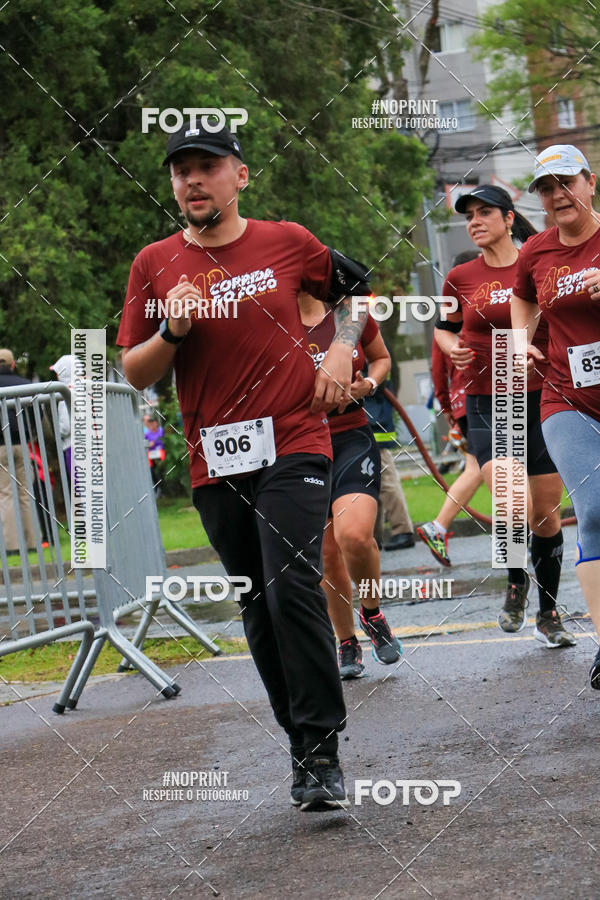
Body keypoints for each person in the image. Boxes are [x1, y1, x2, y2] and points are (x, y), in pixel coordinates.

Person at [117, 120, 372, 812]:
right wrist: (172, 329)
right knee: (257, 602)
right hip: (216, 458)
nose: (192, 180)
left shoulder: (287, 241)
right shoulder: (155, 264)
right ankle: (301, 742)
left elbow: (356, 293)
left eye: (207, 166)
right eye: (180, 170)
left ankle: (322, 751)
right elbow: (134, 371)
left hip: (296, 440)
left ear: (240, 175)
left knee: (291, 582)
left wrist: (344, 348)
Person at [434, 185, 575, 648]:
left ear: (509, 218)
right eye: (469, 215)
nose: (475, 221)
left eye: (484, 213)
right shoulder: (459, 276)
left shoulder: (536, 262)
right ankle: (516, 581)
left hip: (543, 397)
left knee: (545, 517)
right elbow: (444, 329)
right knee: (510, 500)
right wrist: (452, 349)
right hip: (486, 400)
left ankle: (549, 611)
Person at [511, 145, 600, 685]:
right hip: (566, 400)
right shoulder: (536, 253)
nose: (557, 195)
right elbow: (521, 299)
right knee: (593, 513)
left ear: (590, 183)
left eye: (566, 182)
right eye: (546, 188)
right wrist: (520, 341)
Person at [299, 292, 401, 679]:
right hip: (302, 444)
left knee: (355, 535)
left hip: (351, 438)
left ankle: (372, 614)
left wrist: (369, 384)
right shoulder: (273, 314)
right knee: (326, 554)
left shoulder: (349, 313)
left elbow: (382, 359)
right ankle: (346, 641)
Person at [418, 335, 483, 565]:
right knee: (483, 468)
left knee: (482, 467)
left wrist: (447, 404)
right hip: (482, 397)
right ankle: (519, 540)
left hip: (462, 402)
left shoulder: (444, 321)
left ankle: (439, 526)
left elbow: (437, 368)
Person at [364, 382, 415, 551]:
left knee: (386, 482)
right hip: (371, 421)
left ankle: (402, 530)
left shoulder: (368, 359)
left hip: (372, 423)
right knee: (369, 483)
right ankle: (373, 537)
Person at [0, 349, 37, 553]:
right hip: (22, 443)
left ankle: (12, 547)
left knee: (5, 494)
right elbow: (37, 413)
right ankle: (32, 542)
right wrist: (30, 433)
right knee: (25, 492)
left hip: (0, 446)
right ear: (13, 364)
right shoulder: (25, 384)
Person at [49, 354, 74, 485]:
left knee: (81, 487)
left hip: (72, 446)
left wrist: (58, 433)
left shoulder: (65, 395)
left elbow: (65, 427)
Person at [144, 415, 166, 493]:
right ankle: (157, 489)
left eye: (153, 423)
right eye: (150, 424)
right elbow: (145, 444)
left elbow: (165, 440)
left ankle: (163, 489)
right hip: (151, 454)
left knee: (161, 471)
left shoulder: (161, 431)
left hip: (161, 453)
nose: (152, 425)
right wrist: (149, 445)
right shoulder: (147, 434)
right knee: (153, 472)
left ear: (156, 423)